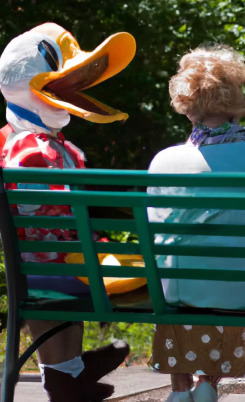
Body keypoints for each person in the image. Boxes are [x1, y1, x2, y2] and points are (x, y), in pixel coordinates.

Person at [146, 44, 245, 402]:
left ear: (187, 105)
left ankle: (180, 388)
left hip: (178, 294)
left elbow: (160, 241)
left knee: (179, 273)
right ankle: (208, 384)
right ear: (235, 97)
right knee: (244, 278)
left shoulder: (164, 161)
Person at [0, 23, 136, 401]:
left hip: (30, 270)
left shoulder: (12, 141)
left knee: (67, 270)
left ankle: (68, 377)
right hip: (62, 269)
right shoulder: (37, 151)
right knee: (138, 267)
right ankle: (68, 375)